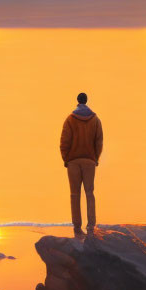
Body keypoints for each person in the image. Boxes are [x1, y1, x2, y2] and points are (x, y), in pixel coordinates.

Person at [60, 92, 103, 237]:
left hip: (73, 161)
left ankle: (77, 226)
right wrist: (95, 158)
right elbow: (99, 141)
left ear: (77, 101)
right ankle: (91, 225)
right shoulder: (95, 120)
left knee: (74, 194)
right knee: (90, 193)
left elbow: (64, 142)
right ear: (87, 101)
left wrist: (66, 158)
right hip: (89, 161)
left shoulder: (70, 120)